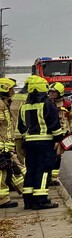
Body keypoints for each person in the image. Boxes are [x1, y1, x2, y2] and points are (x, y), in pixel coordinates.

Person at [19, 77, 65, 210]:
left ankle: (28, 201)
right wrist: (58, 138)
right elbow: (54, 124)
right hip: (45, 143)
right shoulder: (47, 104)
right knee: (43, 171)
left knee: (31, 171)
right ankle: (41, 200)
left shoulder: (25, 106)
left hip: (29, 143)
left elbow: (21, 127)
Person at [0, 77, 25, 208]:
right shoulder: (0, 105)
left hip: (5, 145)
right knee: (3, 172)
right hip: (1, 146)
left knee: (11, 169)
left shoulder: (4, 103)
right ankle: (2, 200)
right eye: (10, 89)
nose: (13, 91)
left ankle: (25, 191)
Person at [48, 84, 72, 185]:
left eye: (54, 92)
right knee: (48, 156)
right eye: (50, 92)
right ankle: (47, 177)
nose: (51, 94)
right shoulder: (46, 103)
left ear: (60, 93)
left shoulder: (67, 104)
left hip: (62, 134)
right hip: (48, 134)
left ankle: (54, 178)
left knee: (57, 156)